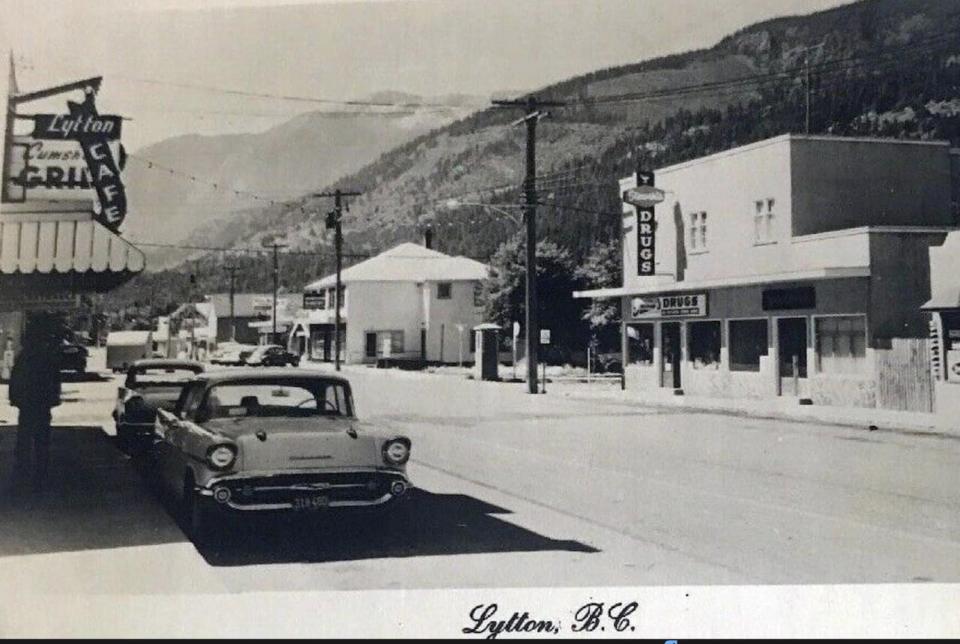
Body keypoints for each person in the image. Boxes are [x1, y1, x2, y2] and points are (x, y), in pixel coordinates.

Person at [8, 317, 62, 493]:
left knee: (24, 438)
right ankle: (41, 473)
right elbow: (55, 381)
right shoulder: (48, 358)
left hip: (27, 404)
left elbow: (14, 380)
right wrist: (54, 398)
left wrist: (15, 398)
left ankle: (23, 471)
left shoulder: (23, 357)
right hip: (41, 404)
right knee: (42, 441)